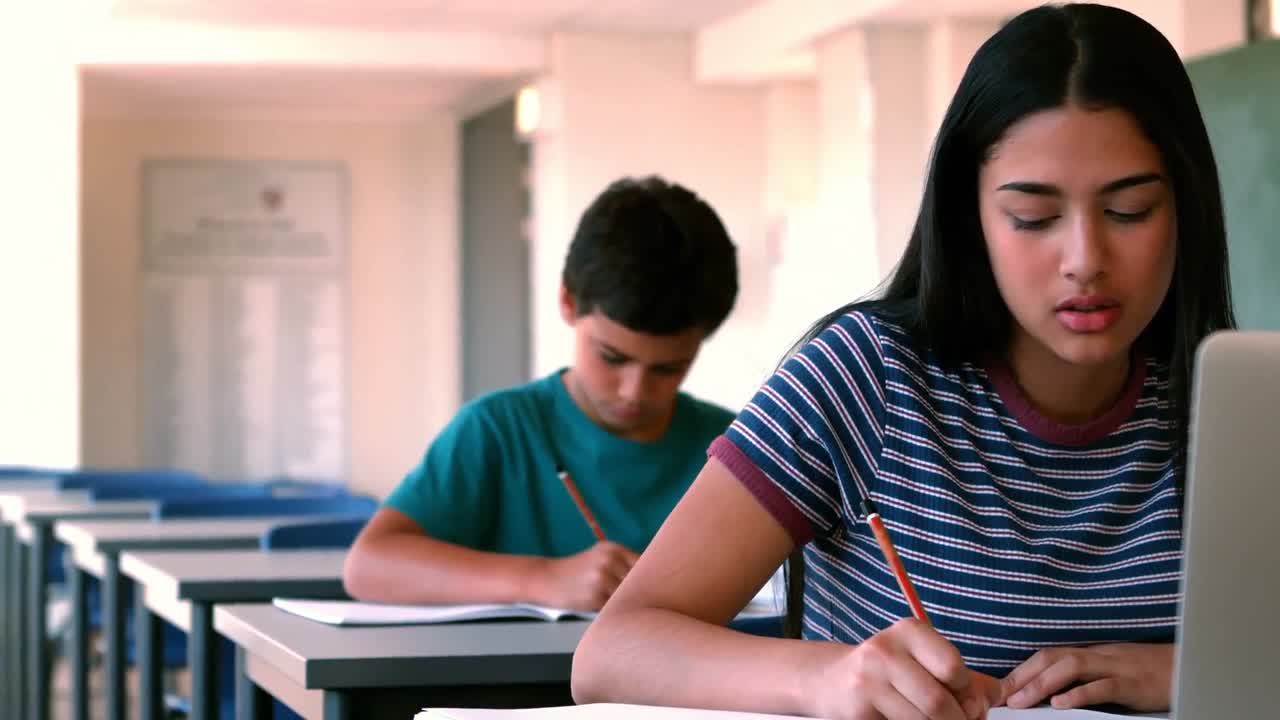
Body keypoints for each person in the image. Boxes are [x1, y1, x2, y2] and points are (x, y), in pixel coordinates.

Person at [572, 4, 1236, 719]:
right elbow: (612, 653)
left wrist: (1195, 673)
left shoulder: (1231, 402)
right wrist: (823, 679)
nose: (1084, 261)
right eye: (1034, 218)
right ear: (969, 218)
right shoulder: (869, 376)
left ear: (1186, 206)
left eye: (1130, 210)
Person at [342, 176, 739, 613]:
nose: (634, 391)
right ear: (567, 301)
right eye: (610, 357)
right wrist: (539, 578)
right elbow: (369, 565)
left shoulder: (733, 448)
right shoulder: (497, 429)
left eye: (668, 368)